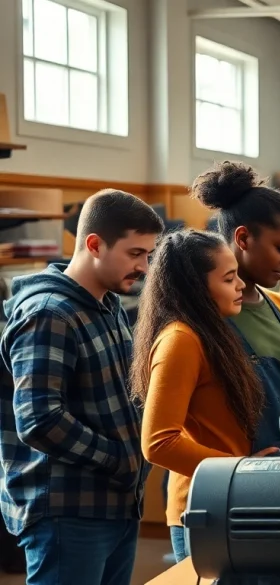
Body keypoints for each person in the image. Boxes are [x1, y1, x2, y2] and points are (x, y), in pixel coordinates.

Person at [0, 189, 164, 585]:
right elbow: (39, 420)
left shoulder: (107, 305)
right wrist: (120, 459)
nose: (144, 267)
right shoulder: (49, 314)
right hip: (67, 511)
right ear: (94, 244)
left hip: (117, 504)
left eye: (148, 255)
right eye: (135, 253)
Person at [133, 229, 280, 563]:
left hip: (230, 498)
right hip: (205, 508)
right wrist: (241, 469)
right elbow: (158, 442)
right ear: (196, 288)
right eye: (229, 279)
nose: (241, 285)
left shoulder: (214, 331)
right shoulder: (181, 340)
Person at [192, 161, 280, 457]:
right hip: (220, 493)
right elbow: (162, 440)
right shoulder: (199, 320)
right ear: (243, 239)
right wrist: (237, 468)